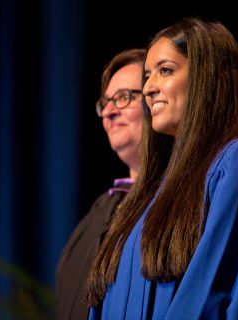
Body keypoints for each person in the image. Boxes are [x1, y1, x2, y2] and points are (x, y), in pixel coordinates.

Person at [85, 18, 238, 319]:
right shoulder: (145, 196)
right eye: (147, 76)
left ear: (204, 77)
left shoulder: (236, 162)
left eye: (165, 70)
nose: (148, 88)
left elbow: (230, 294)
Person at [55, 48, 146, 320]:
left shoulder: (185, 203)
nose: (108, 112)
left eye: (123, 98)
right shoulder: (96, 215)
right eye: (105, 103)